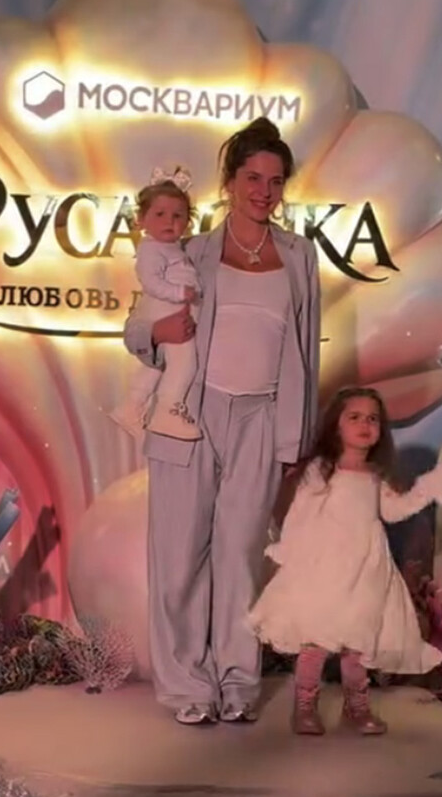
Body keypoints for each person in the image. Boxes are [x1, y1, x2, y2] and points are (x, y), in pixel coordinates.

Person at [123, 115, 320, 726]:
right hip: (192, 411)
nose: (265, 191)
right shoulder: (192, 251)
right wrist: (156, 332)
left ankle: (237, 682)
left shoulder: (300, 256)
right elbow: (136, 329)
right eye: (253, 178)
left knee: (239, 558)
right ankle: (187, 687)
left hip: (262, 417)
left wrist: (294, 439)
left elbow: (307, 351)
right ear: (230, 182)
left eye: (276, 181)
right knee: (180, 557)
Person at [249, 386, 442, 736]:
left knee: (358, 644)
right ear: (336, 425)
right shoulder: (321, 470)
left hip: (368, 569)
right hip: (327, 569)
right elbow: (301, 515)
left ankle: (356, 707)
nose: (365, 425)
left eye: (373, 419)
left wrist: (427, 489)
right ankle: (304, 707)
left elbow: (392, 511)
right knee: (316, 640)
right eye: (355, 417)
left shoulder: (375, 475)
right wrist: (289, 552)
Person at [112, 169, 202, 443]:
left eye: (178, 216)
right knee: (184, 362)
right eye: (160, 214)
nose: (169, 222)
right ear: (142, 220)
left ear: (188, 221)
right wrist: (179, 292)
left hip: (170, 310)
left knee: (156, 365)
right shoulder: (151, 248)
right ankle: (169, 409)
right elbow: (150, 281)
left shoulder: (174, 248)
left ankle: (132, 406)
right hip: (165, 310)